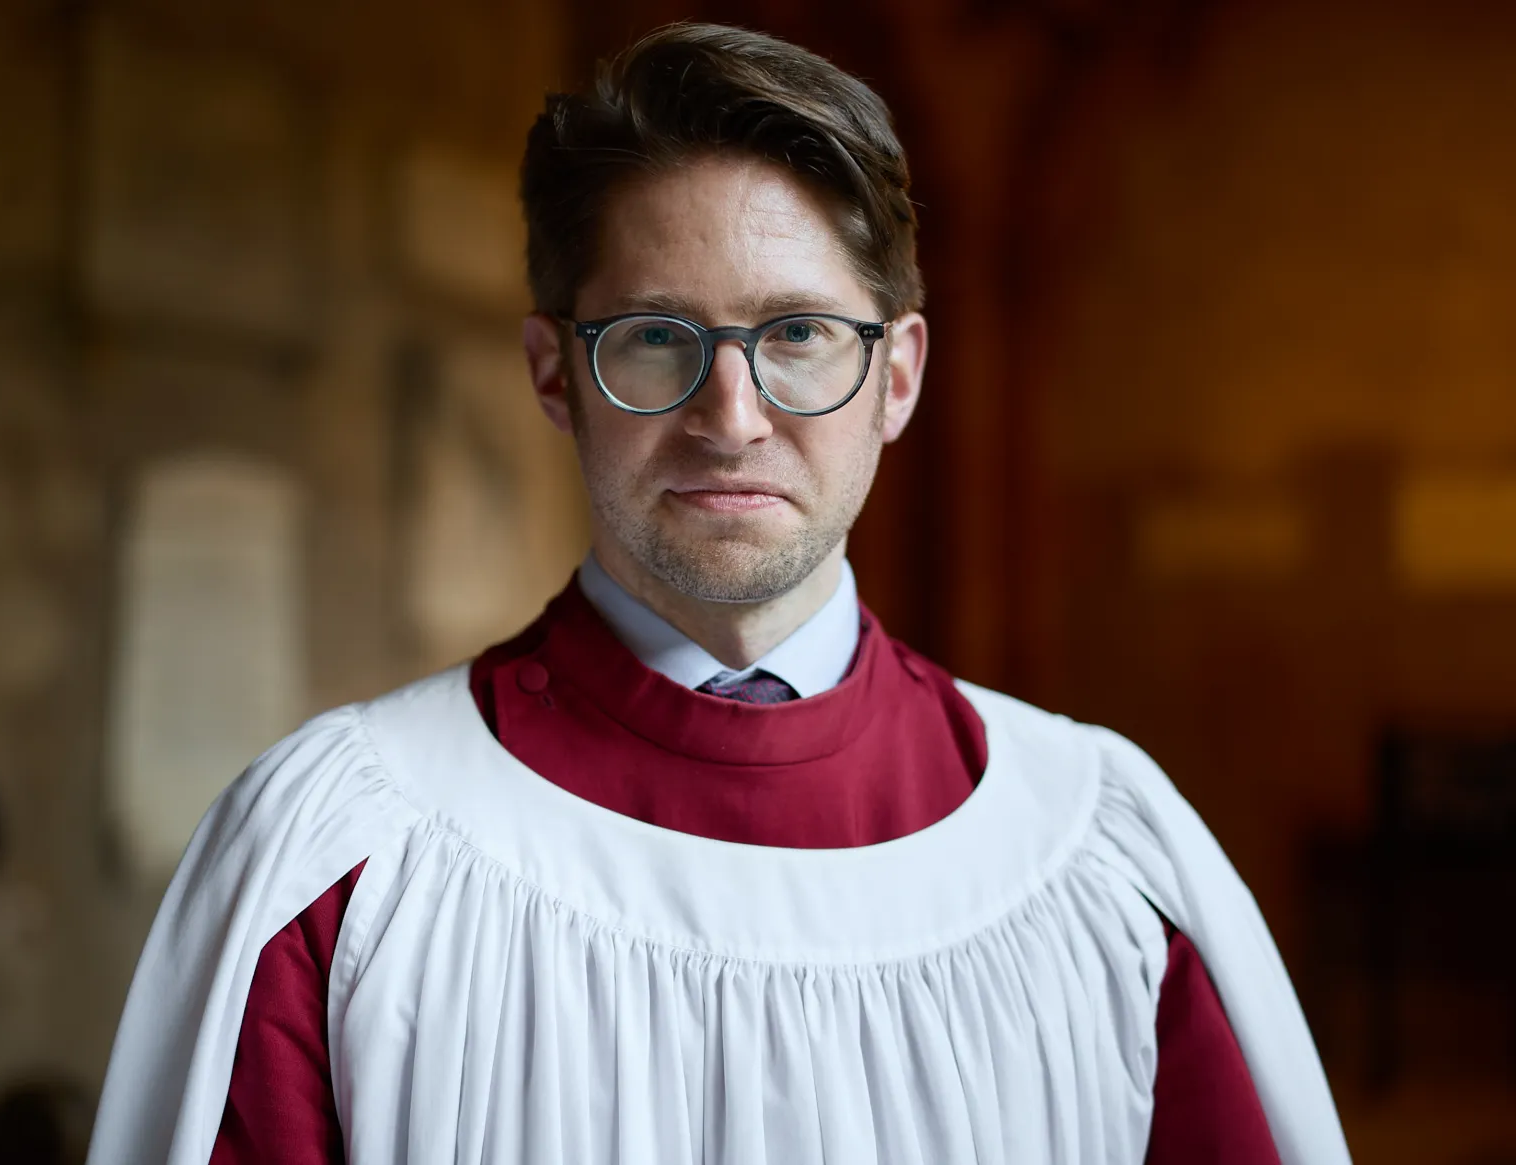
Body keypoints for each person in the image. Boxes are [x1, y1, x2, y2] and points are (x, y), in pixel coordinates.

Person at [87, 23, 1350, 1165]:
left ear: (896, 377)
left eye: (797, 334)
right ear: (551, 373)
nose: (729, 418)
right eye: (653, 337)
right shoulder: (342, 859)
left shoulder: (1098, 859)